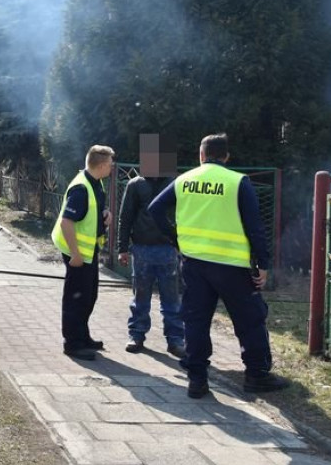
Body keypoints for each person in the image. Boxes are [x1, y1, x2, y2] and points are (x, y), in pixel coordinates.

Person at [148, 133, 289, 398]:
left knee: (196, 321)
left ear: (200, 155)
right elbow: (255, 227)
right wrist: (263, 263)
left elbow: (154, 209)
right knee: (250, 320)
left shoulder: (184, 180)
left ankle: (197, 379)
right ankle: (256, 375)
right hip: (231, 266)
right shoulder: (237, 182)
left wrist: (175, 238)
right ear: (226, 156)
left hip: (194, 263)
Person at [117, 134, 185, 358]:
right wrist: (122, 248)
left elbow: (184, 216)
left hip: (167, 249)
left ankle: (175, 340)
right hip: (143, 249)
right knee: (142, 296)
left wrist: (180, 244)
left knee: (171, 298)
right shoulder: (136, 185)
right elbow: (125, 217)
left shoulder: (175, 183)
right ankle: (138, 334)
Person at [52, 145, 114, 361]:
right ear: (103, 165)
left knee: (89, 296)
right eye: (111, 163)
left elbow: (92, 211)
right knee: (76, 298)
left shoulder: (96, 183)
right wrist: (76, 255)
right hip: (78, 254)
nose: (112, 167)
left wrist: (105, 214)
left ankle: (82, 336)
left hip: (88, 252)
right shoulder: (81, 188)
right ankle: (73, 343)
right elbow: (66, 222)